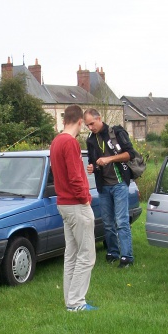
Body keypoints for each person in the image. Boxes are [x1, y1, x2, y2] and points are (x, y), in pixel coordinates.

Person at [50, 104, 97, 312]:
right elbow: (75, 177)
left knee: (72, 254)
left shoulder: (56, 141)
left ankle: (70, 301)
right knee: (86, 255)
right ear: (79, 121)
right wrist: (85, 199)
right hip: (76, 204)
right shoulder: (70, 142)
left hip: (64, 204)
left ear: (64, 120)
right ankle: (77, 302)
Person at [84, 108, 135, 268]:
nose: (90, 127)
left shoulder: (116, 132)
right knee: (107, 222)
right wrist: (92, 167)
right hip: (103, 186)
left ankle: (126, 257)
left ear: (99, 119)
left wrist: (109, 159)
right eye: (87, 125)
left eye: (92, 123)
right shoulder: (90, 140)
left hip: (119, 184)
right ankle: (112, 252)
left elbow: (130, 154)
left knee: (121, 221)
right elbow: (93, 162)